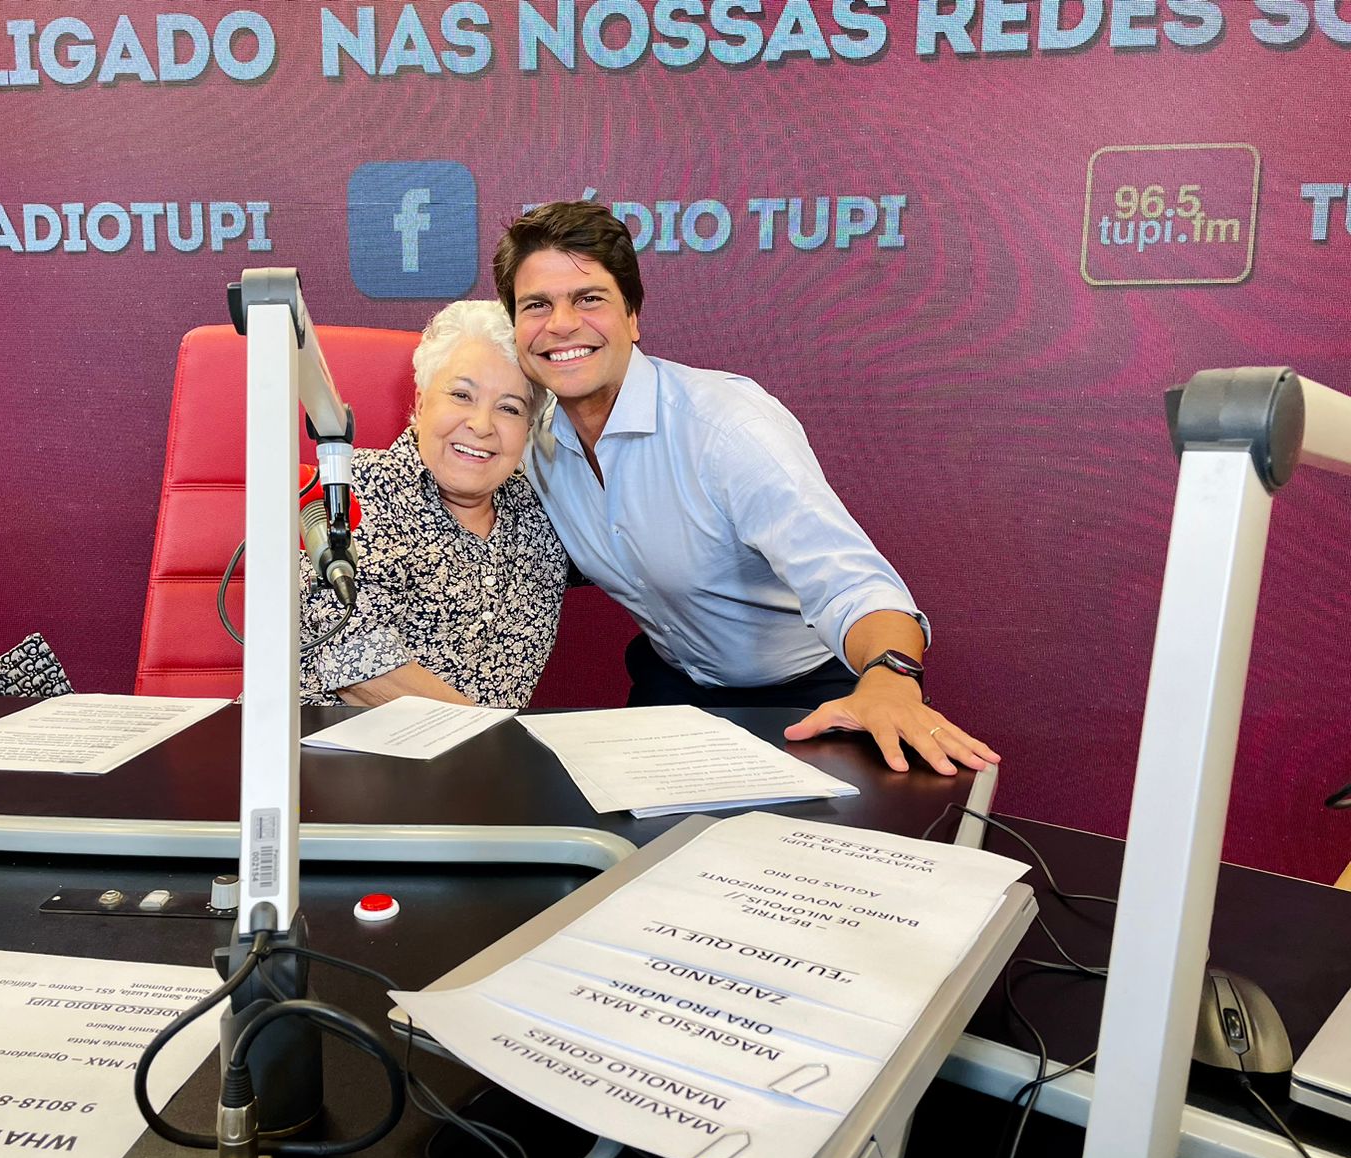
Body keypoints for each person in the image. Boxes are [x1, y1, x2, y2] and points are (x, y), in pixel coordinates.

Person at [492, 201, 997, 775]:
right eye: (537, 305)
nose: (561, 324)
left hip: (808, 690)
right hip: (674, 685)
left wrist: (890, 681)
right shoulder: (527, 443)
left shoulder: (727, 428)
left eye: (589, 299)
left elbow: (852, 584)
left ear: (632, 318)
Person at [299, 300, 567, 707]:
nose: (481, 425)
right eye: (461, 395)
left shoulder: (541, 511)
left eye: (509, 408)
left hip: (483, 748)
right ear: (422, 404)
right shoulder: (354, 490)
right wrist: (495, 737)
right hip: (329, 742)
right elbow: (357, 666)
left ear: (528, 428)